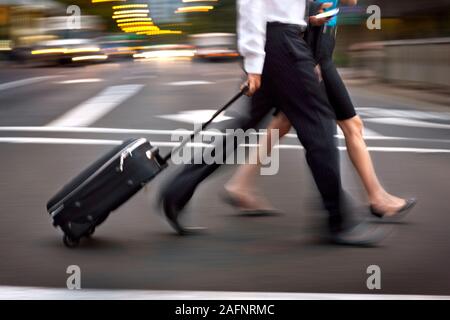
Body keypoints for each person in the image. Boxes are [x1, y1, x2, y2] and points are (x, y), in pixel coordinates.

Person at [159, 0, 389, 246]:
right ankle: (339, 222)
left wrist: (307, 20)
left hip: (281, 42)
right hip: (282, 46)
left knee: (246, 126)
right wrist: (254, 65)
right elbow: (252, 5)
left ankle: (177, 191)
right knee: (319, 123)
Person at [223, 0, 417, 220]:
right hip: (314, 61)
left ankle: (241, 184)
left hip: (308, 58)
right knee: (351, 125)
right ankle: (375, 198)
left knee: (282, 122)